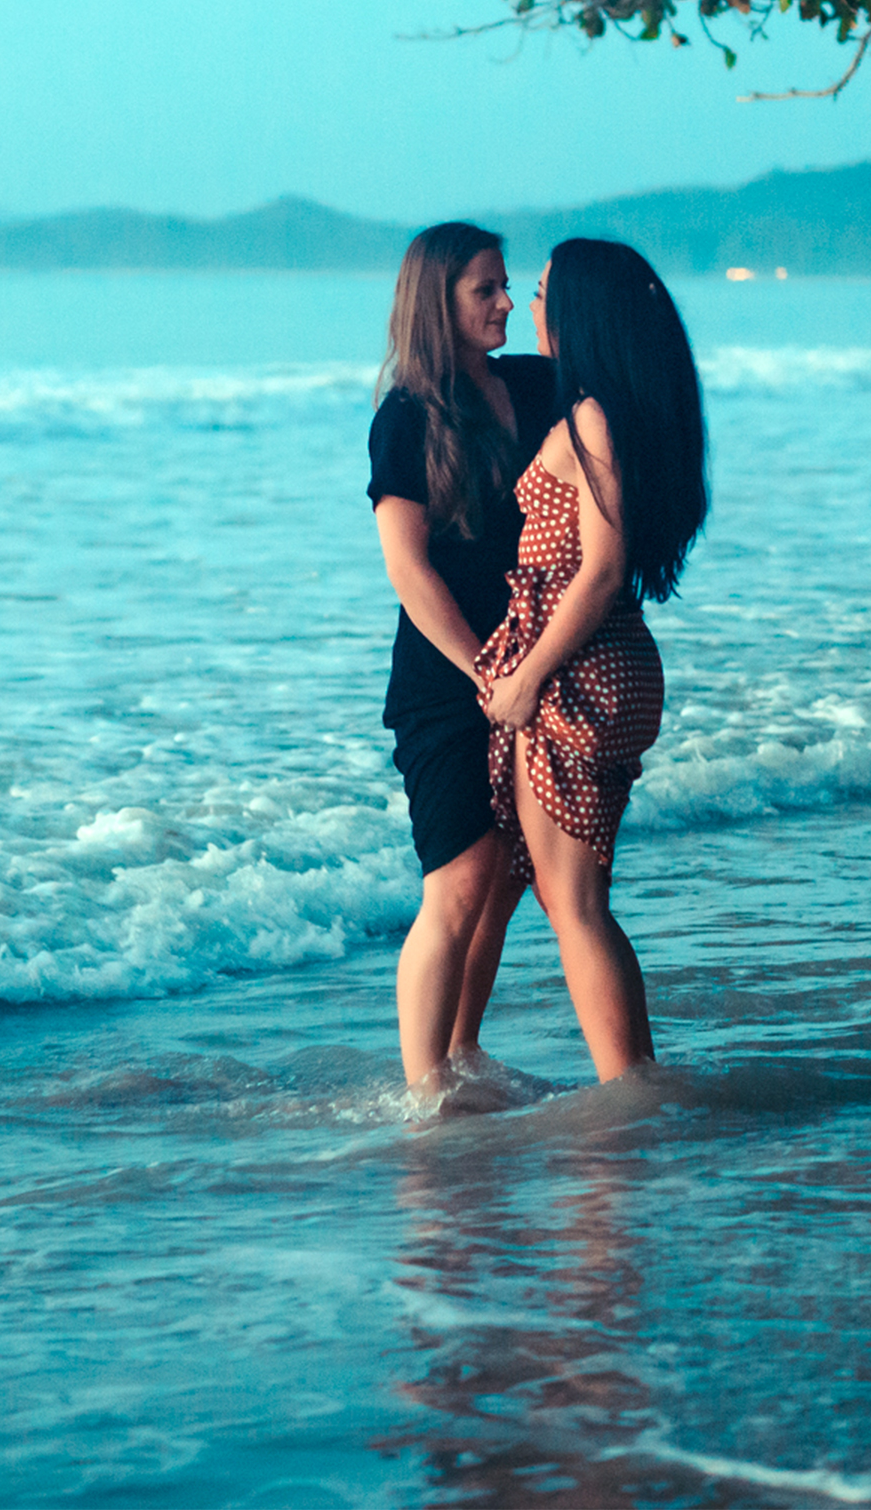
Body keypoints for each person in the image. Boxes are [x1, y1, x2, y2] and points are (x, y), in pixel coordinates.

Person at [476, 238, 707, 1081]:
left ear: (580, 311)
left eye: (541, 293)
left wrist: (528, 678)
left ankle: (630, 1090)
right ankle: (632, 1077)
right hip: (607, 662)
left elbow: (601, 570)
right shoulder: (618, 412)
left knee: (574, 904)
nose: (528, 307)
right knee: (571, 897)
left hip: (578, 668)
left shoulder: (594, 419)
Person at [368, 223, 557, 1092]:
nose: (506, 302)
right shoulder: (406, 418)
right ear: (436, 302)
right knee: (460, 875)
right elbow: (408, 570)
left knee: (507, 876)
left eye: (509, 286)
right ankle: (424, 1095)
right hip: (447, 681)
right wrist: (489, 674)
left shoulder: (535, 386)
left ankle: (463, 1052)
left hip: (532, 668)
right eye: (486, 289)